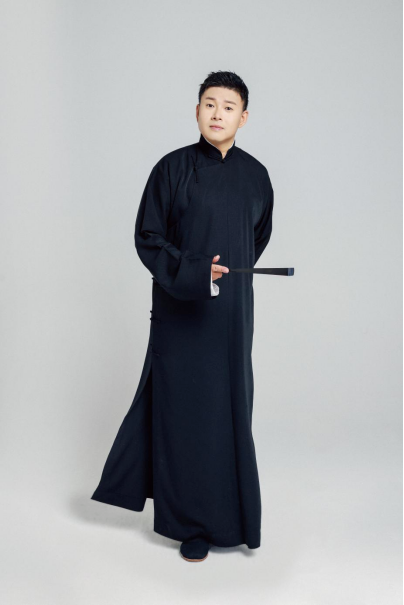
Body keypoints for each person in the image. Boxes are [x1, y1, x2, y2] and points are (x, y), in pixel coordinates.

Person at [91, 70, 275, 563]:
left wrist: (225, 277)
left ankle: (233, 519)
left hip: (232, 315)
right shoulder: (171, 169)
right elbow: (148, 238)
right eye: (209, 104)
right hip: (181, 312)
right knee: (187, 416)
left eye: (228, 107)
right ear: (196, 111)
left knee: (231, 410)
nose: (218, 114)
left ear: (244, 117)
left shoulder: (257, 176)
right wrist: (194, 272)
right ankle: (190, 525)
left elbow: (256, 237)